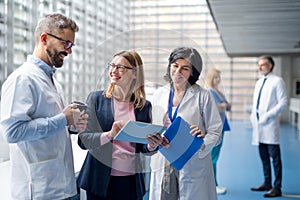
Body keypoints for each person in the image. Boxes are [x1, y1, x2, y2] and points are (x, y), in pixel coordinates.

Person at [0, 13, 88, 199]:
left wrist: (72, 124)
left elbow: (53, 124)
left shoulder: (53, 81)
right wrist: (63, 119)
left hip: (61, 186)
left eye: (71, 45)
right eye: (66, 44)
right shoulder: (22, 79)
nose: (69, 51)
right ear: (44, 38)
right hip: (39, 190)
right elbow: (12, 132)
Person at [76, 50, 168, 200]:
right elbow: (83, 141)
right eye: (112, 65)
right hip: (99, 180)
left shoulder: (144, 107)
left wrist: (152, 145)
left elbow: (142, 147)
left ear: (134, 74)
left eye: (121, 67)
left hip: (130, 182)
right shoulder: (96, 99)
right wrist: (110, 135)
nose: (114, 70)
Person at [149, 47, 223, 200]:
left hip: (192, 160)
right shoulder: (159, 94)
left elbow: (216, 131)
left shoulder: (203, 96)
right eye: (175, 65)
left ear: (193, 72)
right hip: (164, 160)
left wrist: (202, 142)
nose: (178, 71)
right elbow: (152, 125)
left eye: (185, 68)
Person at [250, 56, 288, 198]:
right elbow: (256, 103)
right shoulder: (259, 82)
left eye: (263, 65)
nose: (260, 67)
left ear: (271, 65)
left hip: (270, 125)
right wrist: (253, 116)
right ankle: (267, 183)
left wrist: (268, 115)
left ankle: (277, 187)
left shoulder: (277, 81)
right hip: (259, 126)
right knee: (264, 157)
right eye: (259, 65)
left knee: (275, 158)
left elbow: (283, 103)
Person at [205, 68, 231, 195]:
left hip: (222, 127)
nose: (218, 80)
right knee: (212, 157)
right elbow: (216, 108)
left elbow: (225, 106)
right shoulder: (209, 92)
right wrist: (223, 106)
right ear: (211, 78)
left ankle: (211, 183)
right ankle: (213, 184)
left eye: (219, 77)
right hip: (215, 128)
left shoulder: (218, 92)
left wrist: (223, 106)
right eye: (216, 77)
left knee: (215, 156)